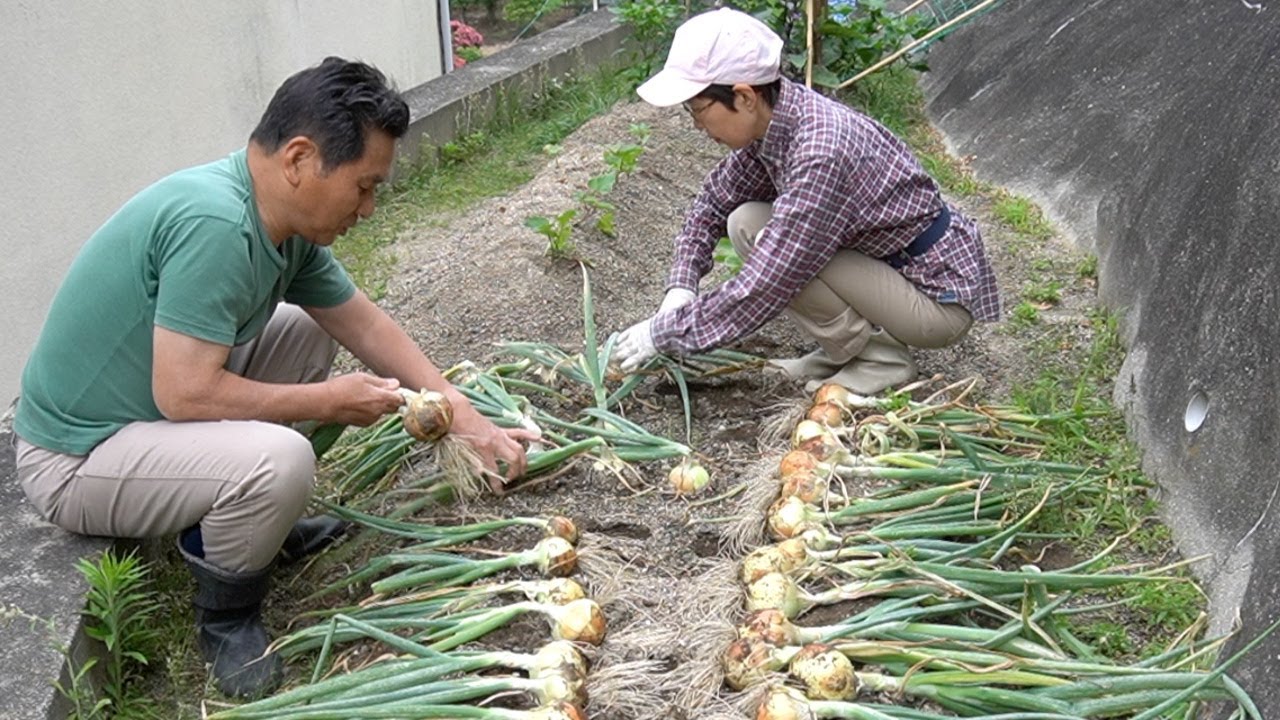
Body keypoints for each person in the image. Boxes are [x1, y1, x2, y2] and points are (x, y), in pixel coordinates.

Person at [12, 57, 537, 697]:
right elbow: (184, 394)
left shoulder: (278, 225)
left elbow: (365, 328)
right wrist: (326, 401)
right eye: (364, 186)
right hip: (75, 457)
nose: (369, 209)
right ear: (299, 159)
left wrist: (471, 422)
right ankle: (226, 616)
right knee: (280, 458)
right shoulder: (217, 226)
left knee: (309, 328)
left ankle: (254, 527)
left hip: (140, 419)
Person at [611, 9, 1000, 394]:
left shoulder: (820, 151)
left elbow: (767, 282)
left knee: (777, 251)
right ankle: (846, 352)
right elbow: (712, 204)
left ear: (744, 96)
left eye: (697, 110)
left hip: (932, 299)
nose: (697, 124)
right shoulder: (777, 121)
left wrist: (666, 334)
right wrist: (681, 286)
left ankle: (880, 360)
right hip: (888, 268)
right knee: (746, 221)